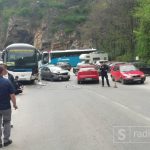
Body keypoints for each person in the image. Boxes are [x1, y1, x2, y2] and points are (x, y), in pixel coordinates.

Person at [0, 66, 18, 148]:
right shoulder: (7, 82)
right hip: (6, 107)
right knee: (7, 122)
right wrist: (14, 104)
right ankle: (6, 141)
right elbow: (12, 95)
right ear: (2, 72)